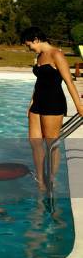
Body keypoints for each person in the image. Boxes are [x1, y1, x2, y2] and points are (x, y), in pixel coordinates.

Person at [21, 27, 83, 191]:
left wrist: (79, 106)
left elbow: (69, 82)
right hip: (38, 103)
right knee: (35, 143)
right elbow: (39, 81)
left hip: (53, 103)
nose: (29, 48)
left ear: (36, 39)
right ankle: (40, 181)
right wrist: (31, 102)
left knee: (51, 145)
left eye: (29, 44)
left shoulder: (57, 54)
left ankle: (52, 179)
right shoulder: (39, 55)